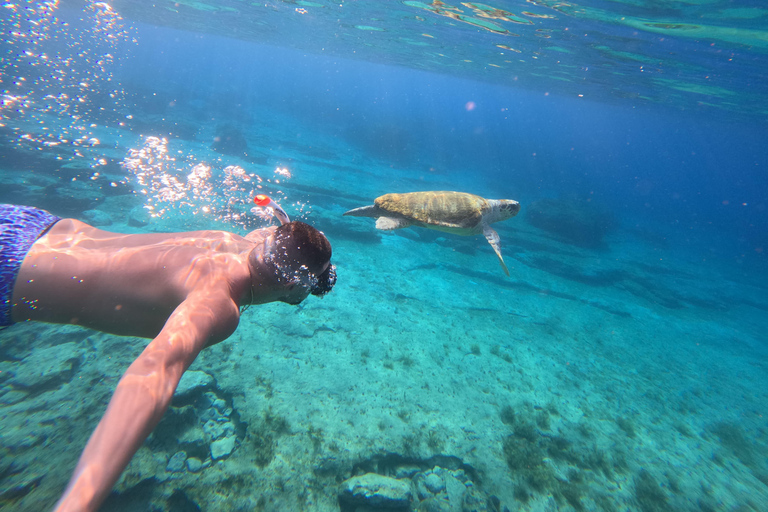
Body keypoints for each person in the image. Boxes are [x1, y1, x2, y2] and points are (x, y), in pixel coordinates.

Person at [0, 203, 336, 512]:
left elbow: (285, 232)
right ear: (294, 286)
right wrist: (79, 502)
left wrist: (298, 241)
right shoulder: (219, 300)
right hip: (11, 273)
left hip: (35, 226)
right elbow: (155, 370)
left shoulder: (248, 242)